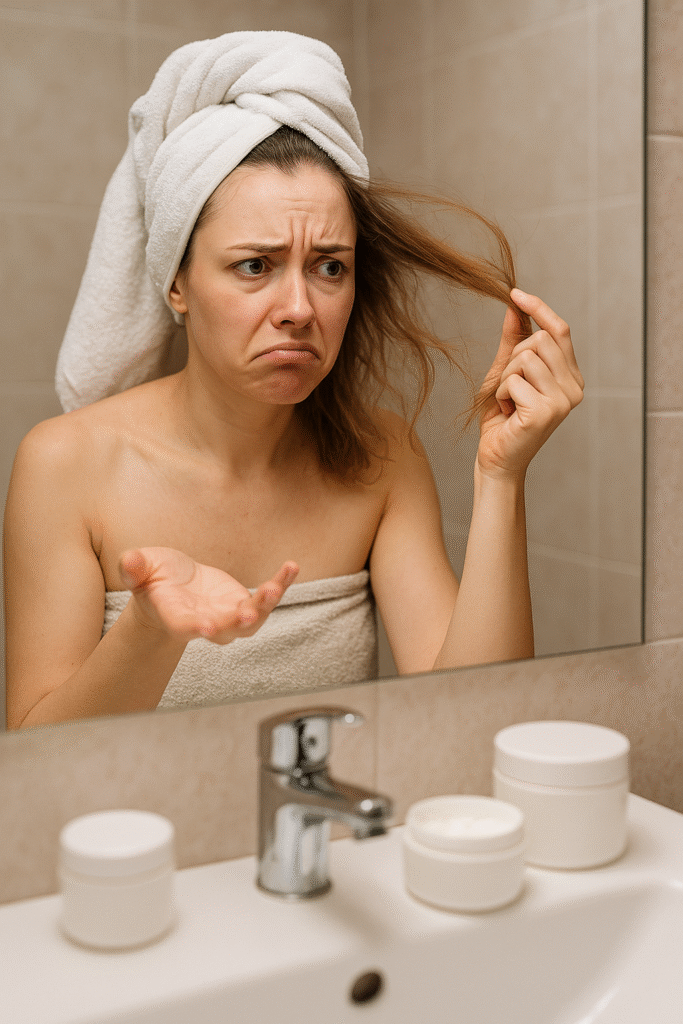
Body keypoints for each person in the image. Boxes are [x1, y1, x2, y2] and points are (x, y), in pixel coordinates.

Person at [4, 32, 583, 729]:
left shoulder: (380, 457)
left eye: (329, 266)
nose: (300, 309)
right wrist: (149, 632)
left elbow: (473, 717)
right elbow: (36, 761)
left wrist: (501, 479)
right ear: (177, 283)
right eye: (255, 265)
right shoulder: (66, 465)